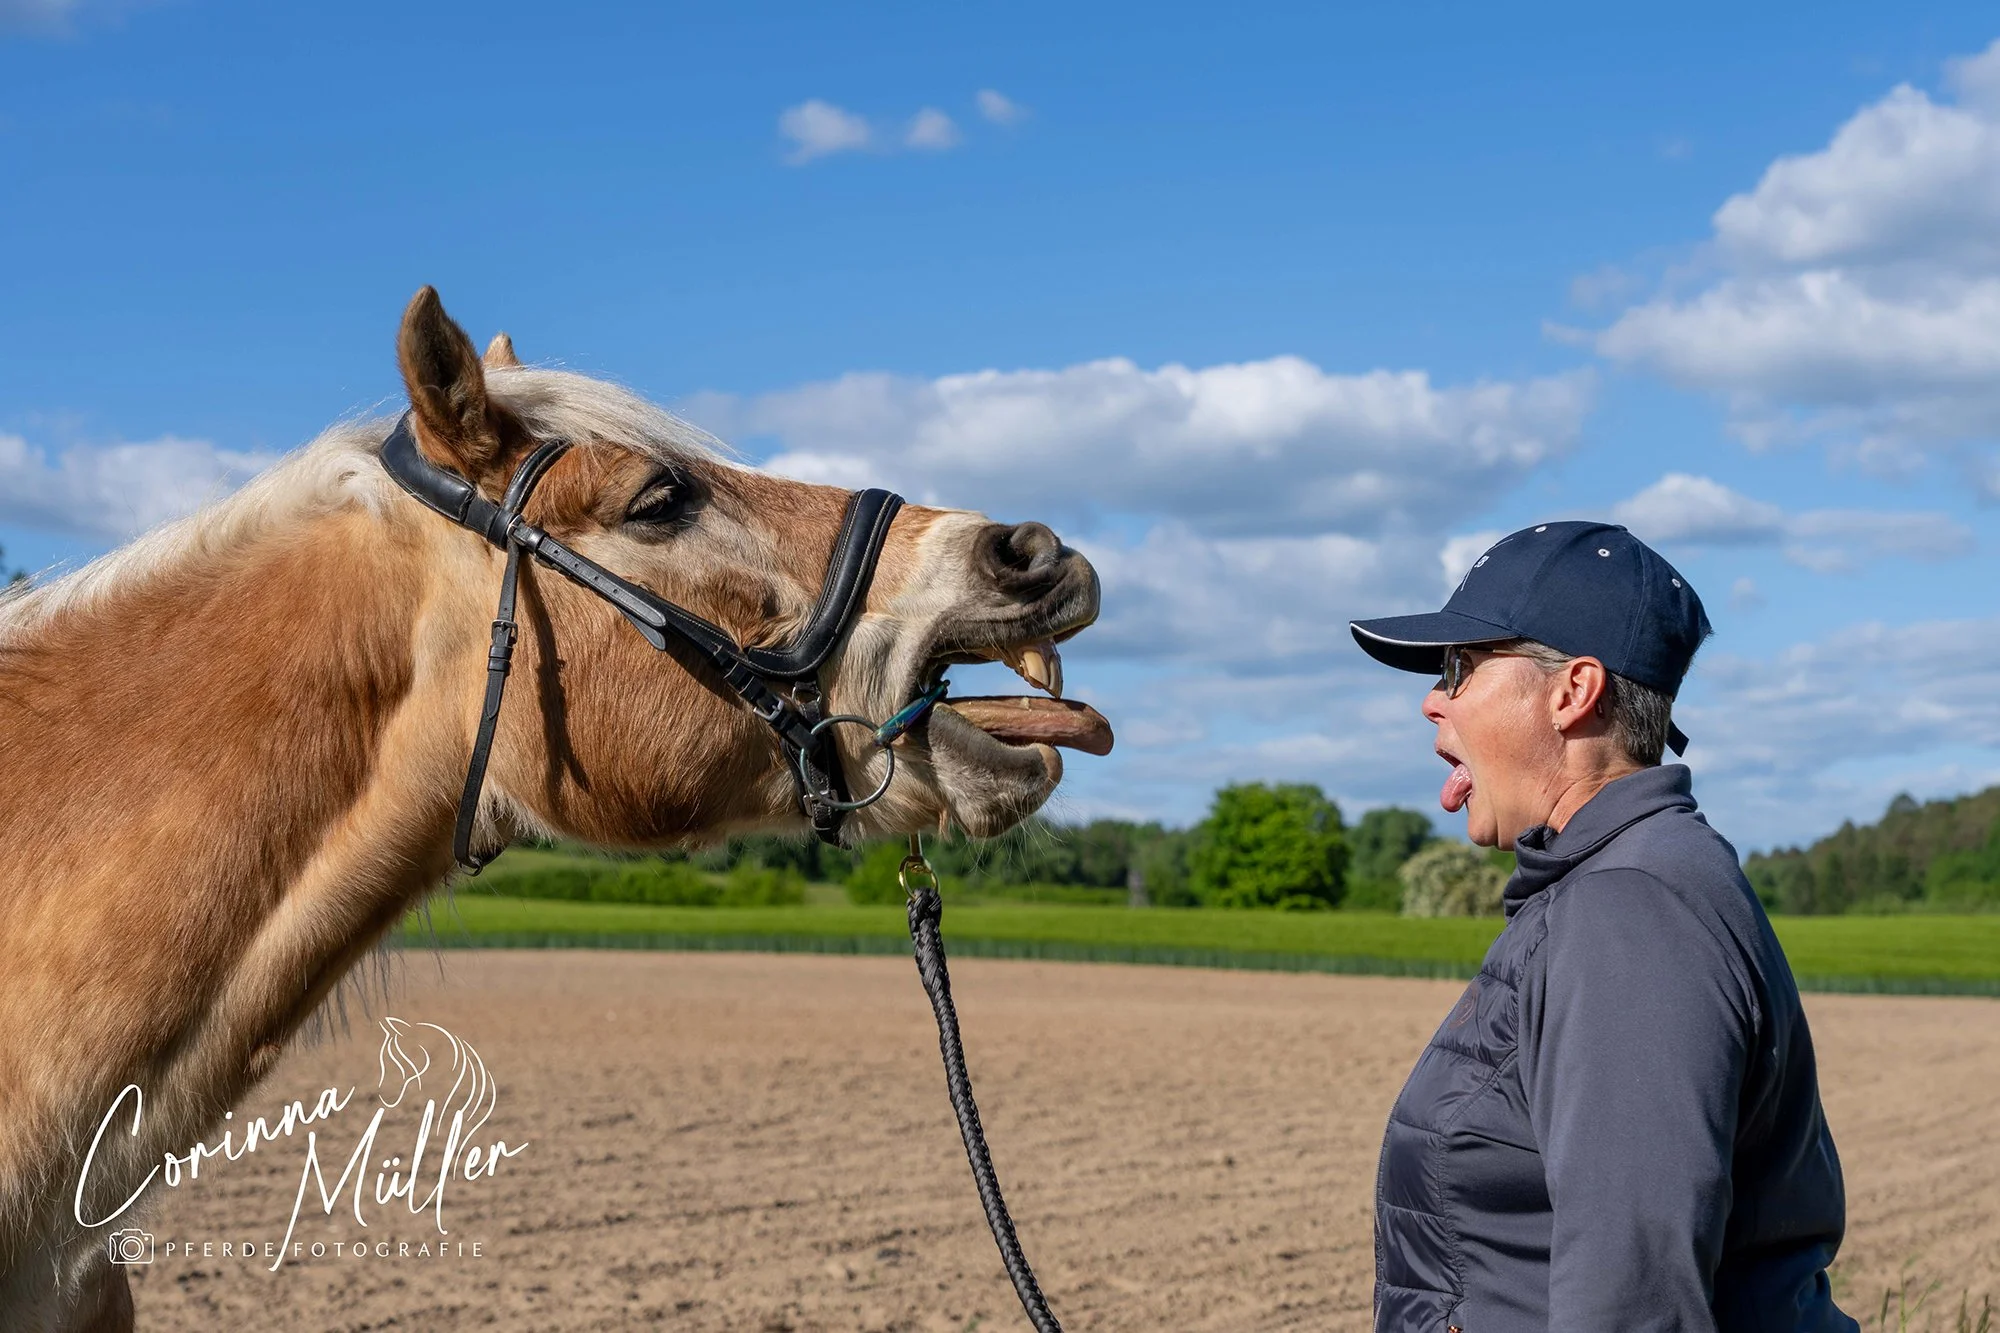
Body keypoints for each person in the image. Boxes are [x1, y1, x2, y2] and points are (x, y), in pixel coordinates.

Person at [1348, 521, 1857, 1333]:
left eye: (1464, 666)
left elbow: (1635, 1305)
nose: (1433, 698)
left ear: (1573, 691)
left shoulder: (1631, 913)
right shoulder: (1622, 883)